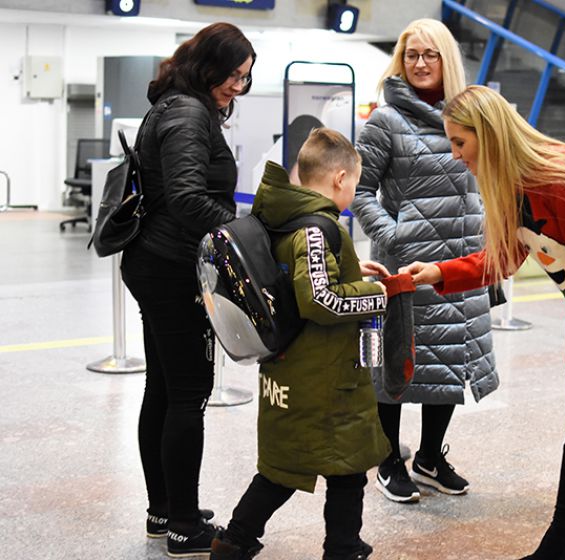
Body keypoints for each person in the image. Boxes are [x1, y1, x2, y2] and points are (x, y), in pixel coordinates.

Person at [402, 85, 565, 560]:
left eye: (460, 142)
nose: (455, 154)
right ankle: (561, 539)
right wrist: (439, 273)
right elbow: (503, 258)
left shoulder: (562, 176)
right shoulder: (517, 183)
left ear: (488, 135)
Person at [209, 128, 391, 560]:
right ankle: (339, 548)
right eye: (355, 185)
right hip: (324, 377)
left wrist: (351, 270)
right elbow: (320, 299)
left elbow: (297, 276)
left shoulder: (281, 214)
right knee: (342, 469)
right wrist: (377, 295)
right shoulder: (318, 227)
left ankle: (236, 539)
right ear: (340, 179)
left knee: (283, 466)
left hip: (291, 367)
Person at [120, 22, 255, 558]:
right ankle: (183, 527)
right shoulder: (189, 113)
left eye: (245, 79)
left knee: (163, 388)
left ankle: (165, 510)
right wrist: (243, 231)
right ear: (209, 67)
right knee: (188, 394)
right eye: (233, 76)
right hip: (173, 268)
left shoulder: (176, 103)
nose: (237, 88)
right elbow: (186, 197)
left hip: (154, 261)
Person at [351, 18, 498, 503]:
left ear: (446, 60)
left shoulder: (473, 114)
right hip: (405, 267)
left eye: (429, 54)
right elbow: (359, 190)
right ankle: (388, 458)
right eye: (410, 54)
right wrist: (395, 236)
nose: (418, 63)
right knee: (395, 363)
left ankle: (431, 456)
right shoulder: (385, 120)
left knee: (448, 361)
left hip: (462, 264)